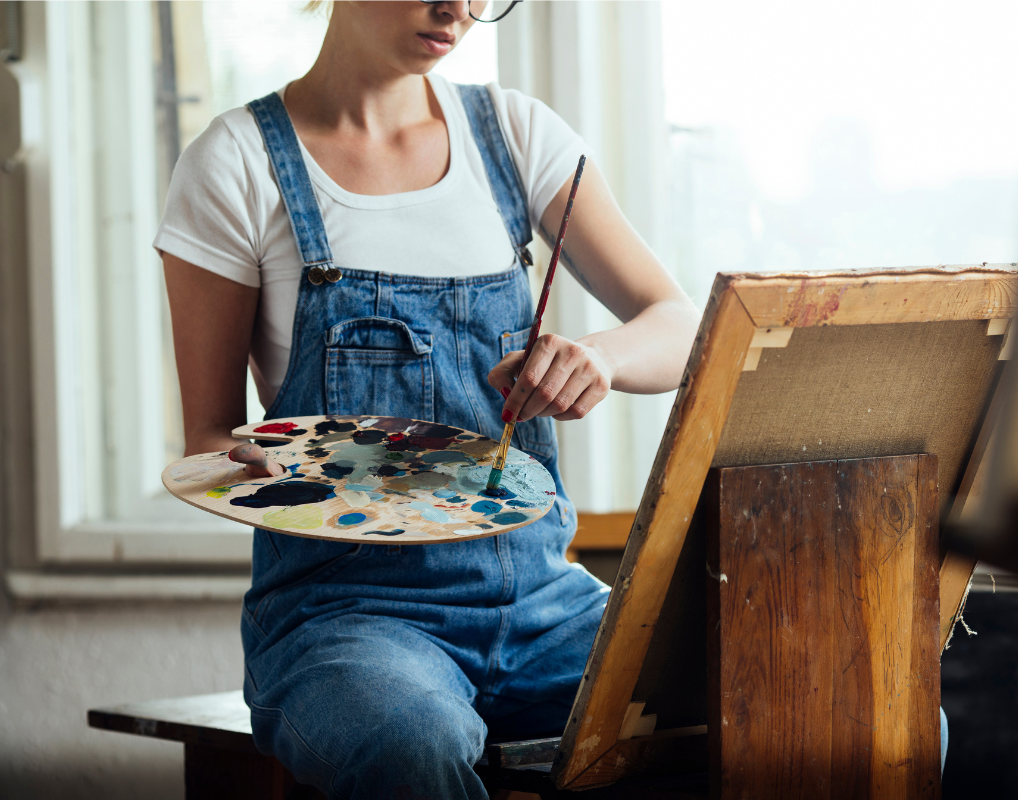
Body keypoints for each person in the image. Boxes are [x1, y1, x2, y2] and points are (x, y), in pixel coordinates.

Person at [154, 2, 699, 798]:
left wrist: (601, 359)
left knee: (799, 693)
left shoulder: (515, 136)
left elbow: (681, 325)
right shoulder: (237, 161)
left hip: (547, 605)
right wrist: (256, 466)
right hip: (346, 621)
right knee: (415, 743)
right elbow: (207, 437)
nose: (460, 9)